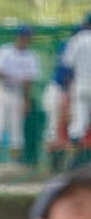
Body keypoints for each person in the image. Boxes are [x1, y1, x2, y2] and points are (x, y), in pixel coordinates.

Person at [0, 27, 40, 174]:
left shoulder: (31, 56)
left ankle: (15, 160)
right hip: (1, 91)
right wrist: (15, 77)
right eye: (22, 36)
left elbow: (30, 81)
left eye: (27, 37)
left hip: (17, 93)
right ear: (17, 37)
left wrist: (26, 100)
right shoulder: (4, 51)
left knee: (16, 128)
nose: (24, 39)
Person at [42, 32, 76, 172]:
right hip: (58, 89)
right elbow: (64, 73)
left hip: (70, 89)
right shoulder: (68, 45)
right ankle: (55, 162)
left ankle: (70, 161)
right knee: (54, 126)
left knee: (71, 125)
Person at [63, 12, 91, 169]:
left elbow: (67, 63)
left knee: (79, 123)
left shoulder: (77, 39)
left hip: (81, 83)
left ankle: (74, 160)